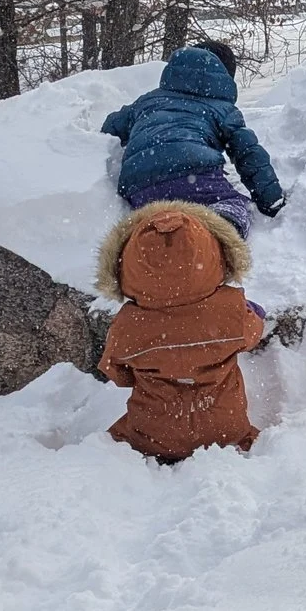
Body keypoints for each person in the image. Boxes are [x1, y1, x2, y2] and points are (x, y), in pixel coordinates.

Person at [96, 200, 266, 463]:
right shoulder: (231, 310)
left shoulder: (128, 326)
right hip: (224, 424)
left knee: (113, 444)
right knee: (230, 426)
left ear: (125, 267)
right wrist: (252, 312)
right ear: (218, 254)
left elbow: (117, 372)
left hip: (153, 431)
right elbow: (253, 333)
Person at [101, 41, 285, 236]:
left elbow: (110, 128)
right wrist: (271, 201)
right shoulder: (223, 110)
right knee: (239, 206)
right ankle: (221, 226)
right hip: (195, 177)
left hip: (138, 184)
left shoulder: (148, 100)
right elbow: (249, 154)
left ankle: (154, 232)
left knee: (153, 210)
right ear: (224, 77)